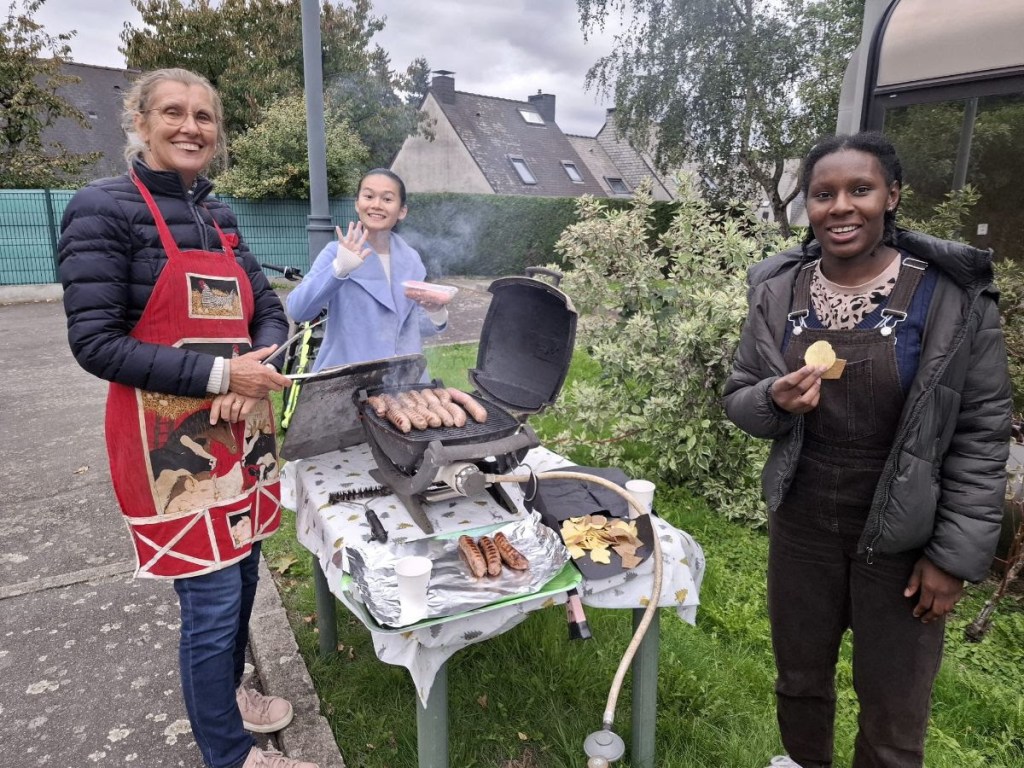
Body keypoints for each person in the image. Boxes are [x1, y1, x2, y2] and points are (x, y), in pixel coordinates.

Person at [723, 131, 1011, 768]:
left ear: (891, 196)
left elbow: (981, 432)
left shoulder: (950, 298)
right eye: (824, 194)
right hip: (802, 522)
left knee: (893, 704)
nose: (841, 206)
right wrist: (774, 398)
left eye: (860, 189)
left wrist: (955, 558)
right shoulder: (779, 290)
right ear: (810, 206)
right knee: (799, 680)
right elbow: (739, 394)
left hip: (902, 531)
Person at [58, 68, 317, 768]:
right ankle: (231, 756)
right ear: (139, 123)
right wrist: (219, 375)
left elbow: (269, 308)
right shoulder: (100, 208)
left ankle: (228, 695)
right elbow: (96, 342)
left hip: (245, 430)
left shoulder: (221, 214)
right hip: (170, 446)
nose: (191, 127)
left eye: (204, 116)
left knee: (244, 577)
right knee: (209, 606)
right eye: (173, 112)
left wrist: (254, 367)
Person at [285, 168, 449, 372]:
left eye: (387, 199)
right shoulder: (335, 252)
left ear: (402, 211)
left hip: (402, 382)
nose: (376, 205)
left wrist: (436, 311)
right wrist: (340, 268)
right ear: (357, 204)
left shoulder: (411, 259)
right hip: (347, 380)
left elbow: (411, 329)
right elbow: (298, 310)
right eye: (369, 196)